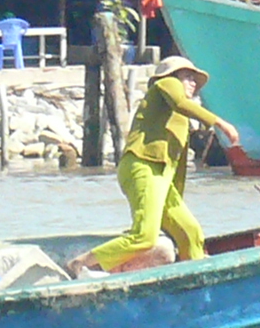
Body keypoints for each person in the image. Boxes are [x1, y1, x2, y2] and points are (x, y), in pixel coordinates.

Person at [86, 53, 241, 274]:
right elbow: (180, 102)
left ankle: (194, 275)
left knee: (190, 231)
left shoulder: (178, 117)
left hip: (163, 177)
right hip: (143, 165)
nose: (193, 82)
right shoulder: (165, 84)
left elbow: (175, 166)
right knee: (144, 236)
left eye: (194, 78)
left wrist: (175, 198)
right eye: (188, 76)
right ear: (173, 76)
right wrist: (220, 123)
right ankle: (84, 263)